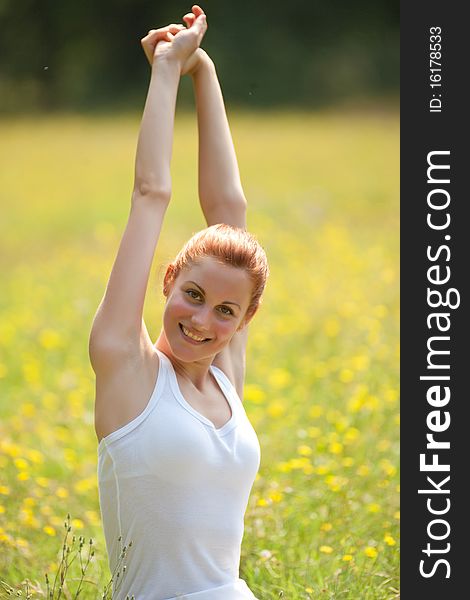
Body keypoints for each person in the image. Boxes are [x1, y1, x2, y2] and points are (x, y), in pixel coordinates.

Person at [88, 5, 269, 599]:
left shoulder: (225, 380)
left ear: (244, 320)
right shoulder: (128, 370)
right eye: (192, 295)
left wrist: (205, 71)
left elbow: (230, 212)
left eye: (225, 311)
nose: (202, 320)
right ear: (167, 280)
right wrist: (167, 70)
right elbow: (150, 193)